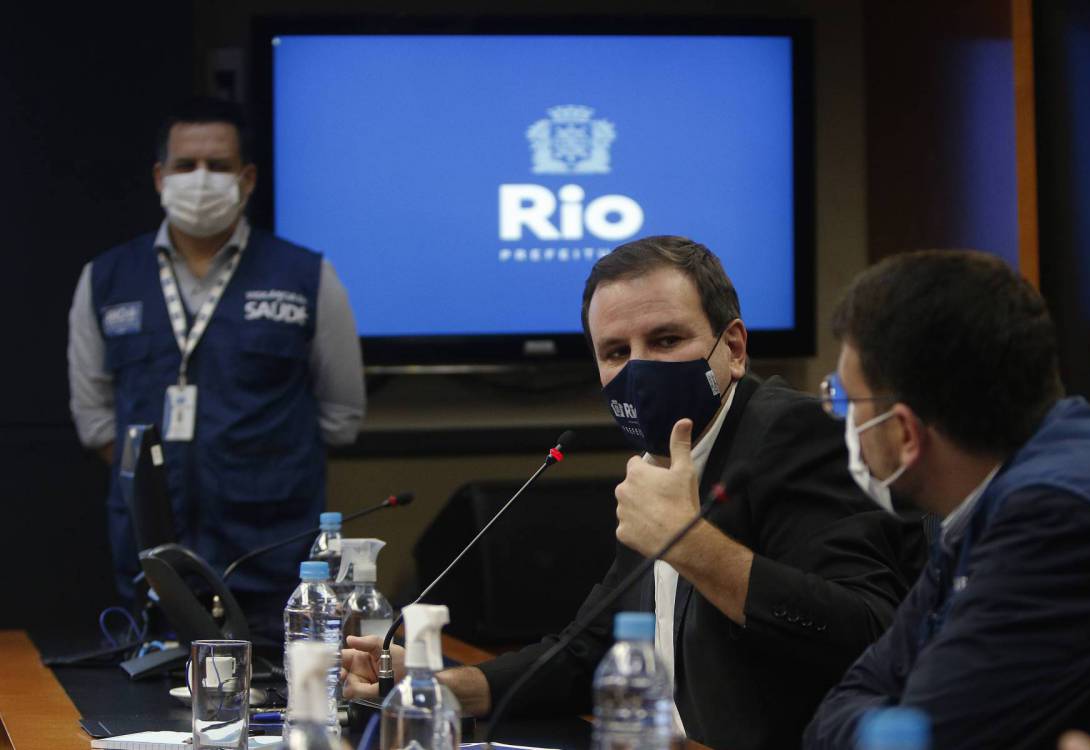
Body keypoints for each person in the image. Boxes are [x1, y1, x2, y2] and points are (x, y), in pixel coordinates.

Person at [344, 236, 924, 749]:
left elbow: (868, 629)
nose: (640, 370)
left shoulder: (789, 435)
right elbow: (588, 648)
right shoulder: (655, 462)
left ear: (735, 348)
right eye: (616, 352)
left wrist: (691, 544)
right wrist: (436, 686)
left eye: (666, 339)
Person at [803, 250, 1090, 748]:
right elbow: (847, 703)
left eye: (846, 399)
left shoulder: (1060, 519)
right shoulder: (1031, 471)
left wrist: (884, 722)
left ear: (904, 431)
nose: (844, 418)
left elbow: (927, 740)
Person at [67, 98, 366, 622]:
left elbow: (340, 416)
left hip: (275, 559)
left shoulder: (307, 276)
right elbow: (96, 421)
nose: (201, 179)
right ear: (160, 178)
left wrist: (259, 462)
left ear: (247, 178)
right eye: (186, 166)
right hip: (153, 556)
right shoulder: (106, 278)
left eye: (219, 166)